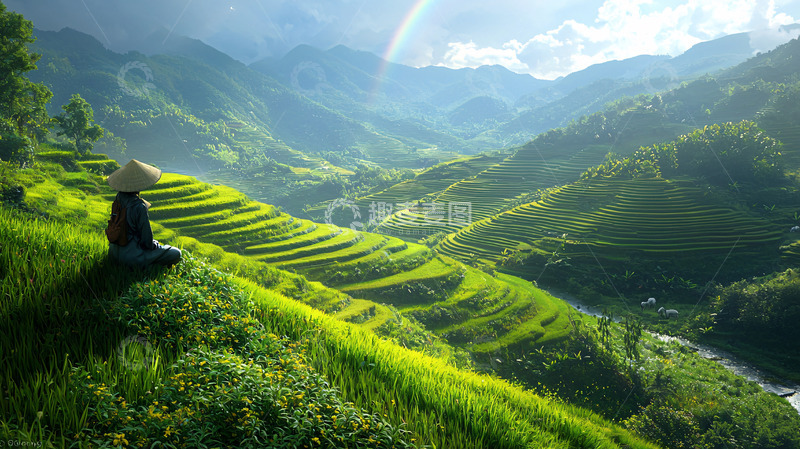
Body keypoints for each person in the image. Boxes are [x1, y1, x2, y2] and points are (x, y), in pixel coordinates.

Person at [106, 159, 181, 268]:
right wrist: (155, 245)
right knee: (175, 253)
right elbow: (147, 241)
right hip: (131, 257)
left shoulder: (118, 199)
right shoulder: (139, 206)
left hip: (113, 254)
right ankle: (147, 268)